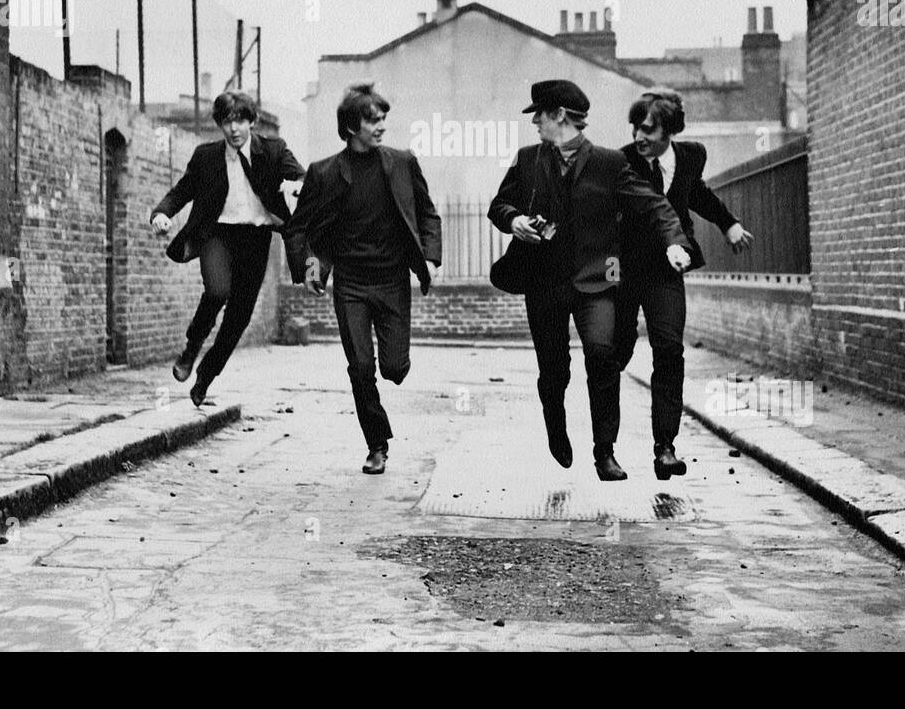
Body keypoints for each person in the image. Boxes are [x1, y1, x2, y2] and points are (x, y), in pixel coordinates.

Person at [488, 80, 690, 482]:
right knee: (554, 369)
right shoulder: (527, 160)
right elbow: (499, 205)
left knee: (602, 357)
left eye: (539, 115)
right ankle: (556, 424)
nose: (535, 124)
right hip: (543, 282)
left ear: (559, 116)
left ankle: (605, 452)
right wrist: (515, 220)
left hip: (595, 283)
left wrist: (674, 243)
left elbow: (655, 206)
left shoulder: (609, 163)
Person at [285, 82, 441, 475]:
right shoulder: (324, 173)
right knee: (360, 366)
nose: (382, 126)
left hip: (392, 280)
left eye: (384, 118)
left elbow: (428, 214)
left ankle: (395, 370)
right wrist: (308, 268)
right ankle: (377, 444)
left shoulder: (403, 162)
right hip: (351, 284)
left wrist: (432, 258)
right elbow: (298, 228)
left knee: (394, 369)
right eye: (373, 120)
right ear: (352, 126)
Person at [615, 89, 753, 480]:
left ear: (669, 131)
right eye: (635, 128)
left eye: (647, 130)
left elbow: (698, 194)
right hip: (626, 270)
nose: (638, 137)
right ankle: (604, 442)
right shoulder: (622, 162)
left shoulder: (691, 156)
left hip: (666, 272)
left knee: (670, 350)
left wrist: (728, 224)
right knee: (616, 352)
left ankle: (665, 448)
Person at [150, 90, 305, 406]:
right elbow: (182, 191)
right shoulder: (206, 156)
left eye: (240, 120)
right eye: (227, 122)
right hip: (217, 235)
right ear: (219, 124)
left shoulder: (274, 151)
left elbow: (300, 176)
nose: (234, 129)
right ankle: (192, 346)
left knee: (239, 318)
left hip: (256, 239)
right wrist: (162, 213)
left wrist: (298, 185)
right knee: (217, 291)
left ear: (252, 121)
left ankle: (206, 375)